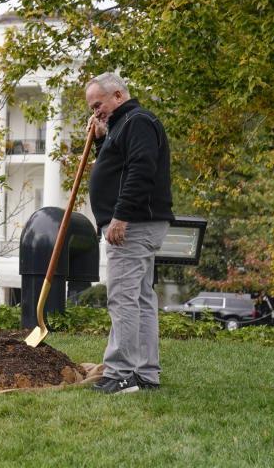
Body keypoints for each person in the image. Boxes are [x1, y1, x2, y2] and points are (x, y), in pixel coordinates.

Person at [85, 72, 173, 394]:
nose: (95, 112)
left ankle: (121, 374)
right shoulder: (123, 125)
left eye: (98, 105)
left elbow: (140, 169)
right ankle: (146, 375)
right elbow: (117, 168)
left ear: (118, 95)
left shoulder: (136, 121)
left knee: (123, 297)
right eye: (92, 108)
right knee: (140, 298)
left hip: (132, 225)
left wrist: (120, 217)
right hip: (139, 223)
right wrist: (99, 140)